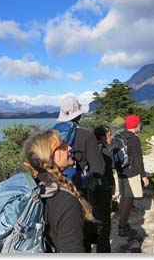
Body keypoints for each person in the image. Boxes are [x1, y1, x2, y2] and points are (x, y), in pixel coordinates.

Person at [24, 130, 93, 253]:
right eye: (63, 146)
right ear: (50, 156)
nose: (69, 148)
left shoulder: (34, 187)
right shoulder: (66, 201)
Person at [56, 96, 105, 252]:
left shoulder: (50, 134)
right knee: (81, 236)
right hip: (78, 191)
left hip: (53, 190)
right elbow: (98, 169)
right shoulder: (86, 135)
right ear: (78, 115)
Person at [117, 115, 149, 237]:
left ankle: (121, 220)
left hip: (121, 172)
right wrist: (144, 176)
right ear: (135, 125)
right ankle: (123, 226)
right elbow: (138, 160)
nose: (140, 126)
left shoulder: (121, 135)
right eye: (139, 124)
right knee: (129, 199)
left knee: (123, 197)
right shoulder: (134, 139)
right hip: (131, 173)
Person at [93, 125, 115, 253]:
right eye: (109, 135)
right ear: (103, 137)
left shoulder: (88, 150)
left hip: (89, 192)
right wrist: (112, 187)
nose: (111, 138)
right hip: (102, 193)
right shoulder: (105, 152)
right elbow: (108, 173)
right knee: (104, 226)